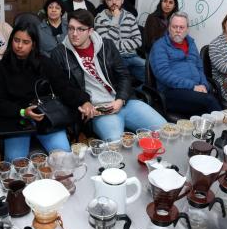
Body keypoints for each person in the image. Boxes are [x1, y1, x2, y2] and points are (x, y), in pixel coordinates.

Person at [0, 23, 93, 161]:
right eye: (16, 40)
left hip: (46, 118)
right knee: (15, 164)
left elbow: (64, 87)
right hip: (16, 120)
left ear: (33, 44)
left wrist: (84, 100)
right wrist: (22, 111)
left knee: (64, 157)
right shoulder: (3, 67)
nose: (19, 46)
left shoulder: (45, 63)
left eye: (25, 42)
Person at [51, 9, 166, 141]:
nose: (74, 34)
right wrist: (83, 102)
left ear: (90, 31)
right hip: (99, 111)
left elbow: (124, 75)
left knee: (165, 130)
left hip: (123, 102)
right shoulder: (59, 54)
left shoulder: (107, 46)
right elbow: (63, 88)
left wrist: (120, 99)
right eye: (71, 28)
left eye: (80, 29)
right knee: (115, 146)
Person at [150, 12, 221, 116]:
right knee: (210, 101)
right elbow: (163, 74)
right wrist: (192, 86)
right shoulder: (160, 46)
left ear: (187, 29)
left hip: (194, 91)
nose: (178, 30)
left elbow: (199, 68)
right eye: (174, 27)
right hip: (171, 91)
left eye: (181, 27)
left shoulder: (191, 44)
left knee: (208, 107)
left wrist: (204, 85)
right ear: (169, 27)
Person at [94, 0, 145, 82]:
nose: (114, 2)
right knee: (122, 79)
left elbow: (138, 41)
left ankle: (142, 95)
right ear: (106, 1)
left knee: (147, 70)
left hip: (132, 56)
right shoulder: (99, 19)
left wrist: (117, 45)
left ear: (122, 0)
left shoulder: (130, 16)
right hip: (113, 59)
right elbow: (106, 44)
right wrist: (115, 19)